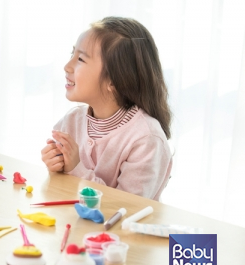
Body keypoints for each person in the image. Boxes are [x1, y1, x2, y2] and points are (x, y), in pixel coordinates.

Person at [41, 17, 172, 200]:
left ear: (114, 80)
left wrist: (75, 169)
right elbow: (60, 191)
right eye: (72, 54)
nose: (67, 66)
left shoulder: (145, 138)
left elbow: (125, 208)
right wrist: (55, 166)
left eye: (80, 59)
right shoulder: (72, 121)